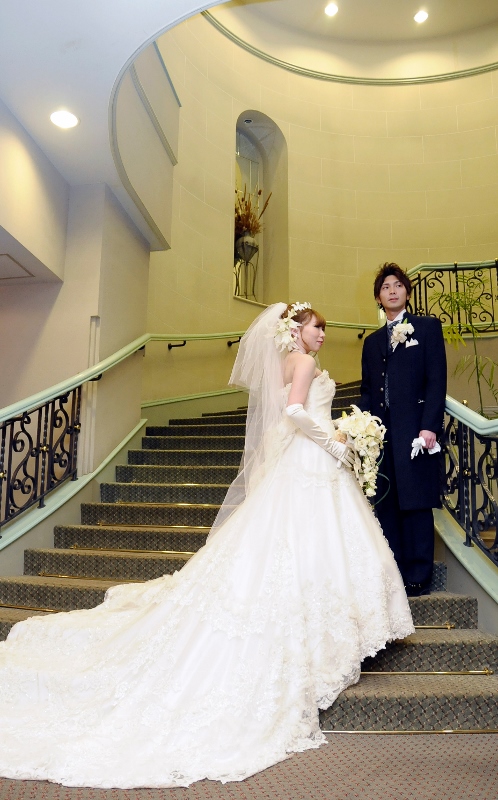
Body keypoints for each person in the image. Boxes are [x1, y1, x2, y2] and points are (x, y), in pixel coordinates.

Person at [0, 302, 413, 789]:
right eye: (315, 327)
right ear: (296, 330)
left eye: (322, 329)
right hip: (312, 460)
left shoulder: (286, 362)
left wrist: (340, 432)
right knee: (315, 545)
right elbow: (295, 411)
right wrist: (337, 442)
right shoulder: (303, 362)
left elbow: (287, 414)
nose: (321, 334)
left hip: (300, 461)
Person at [359, 264, 447, 597]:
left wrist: (429, 426)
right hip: (382, 437)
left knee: (416, 502)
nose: (392, 291)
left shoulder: (426, 328)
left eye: (398, 285)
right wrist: (364, 430)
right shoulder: (371, 343)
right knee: (387, 503)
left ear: (407, 292)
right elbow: (368, 390)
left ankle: (418, 577)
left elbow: (436, 380)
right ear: (378, 297)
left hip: (415, 433)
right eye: (385, 287)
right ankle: (393, 574)